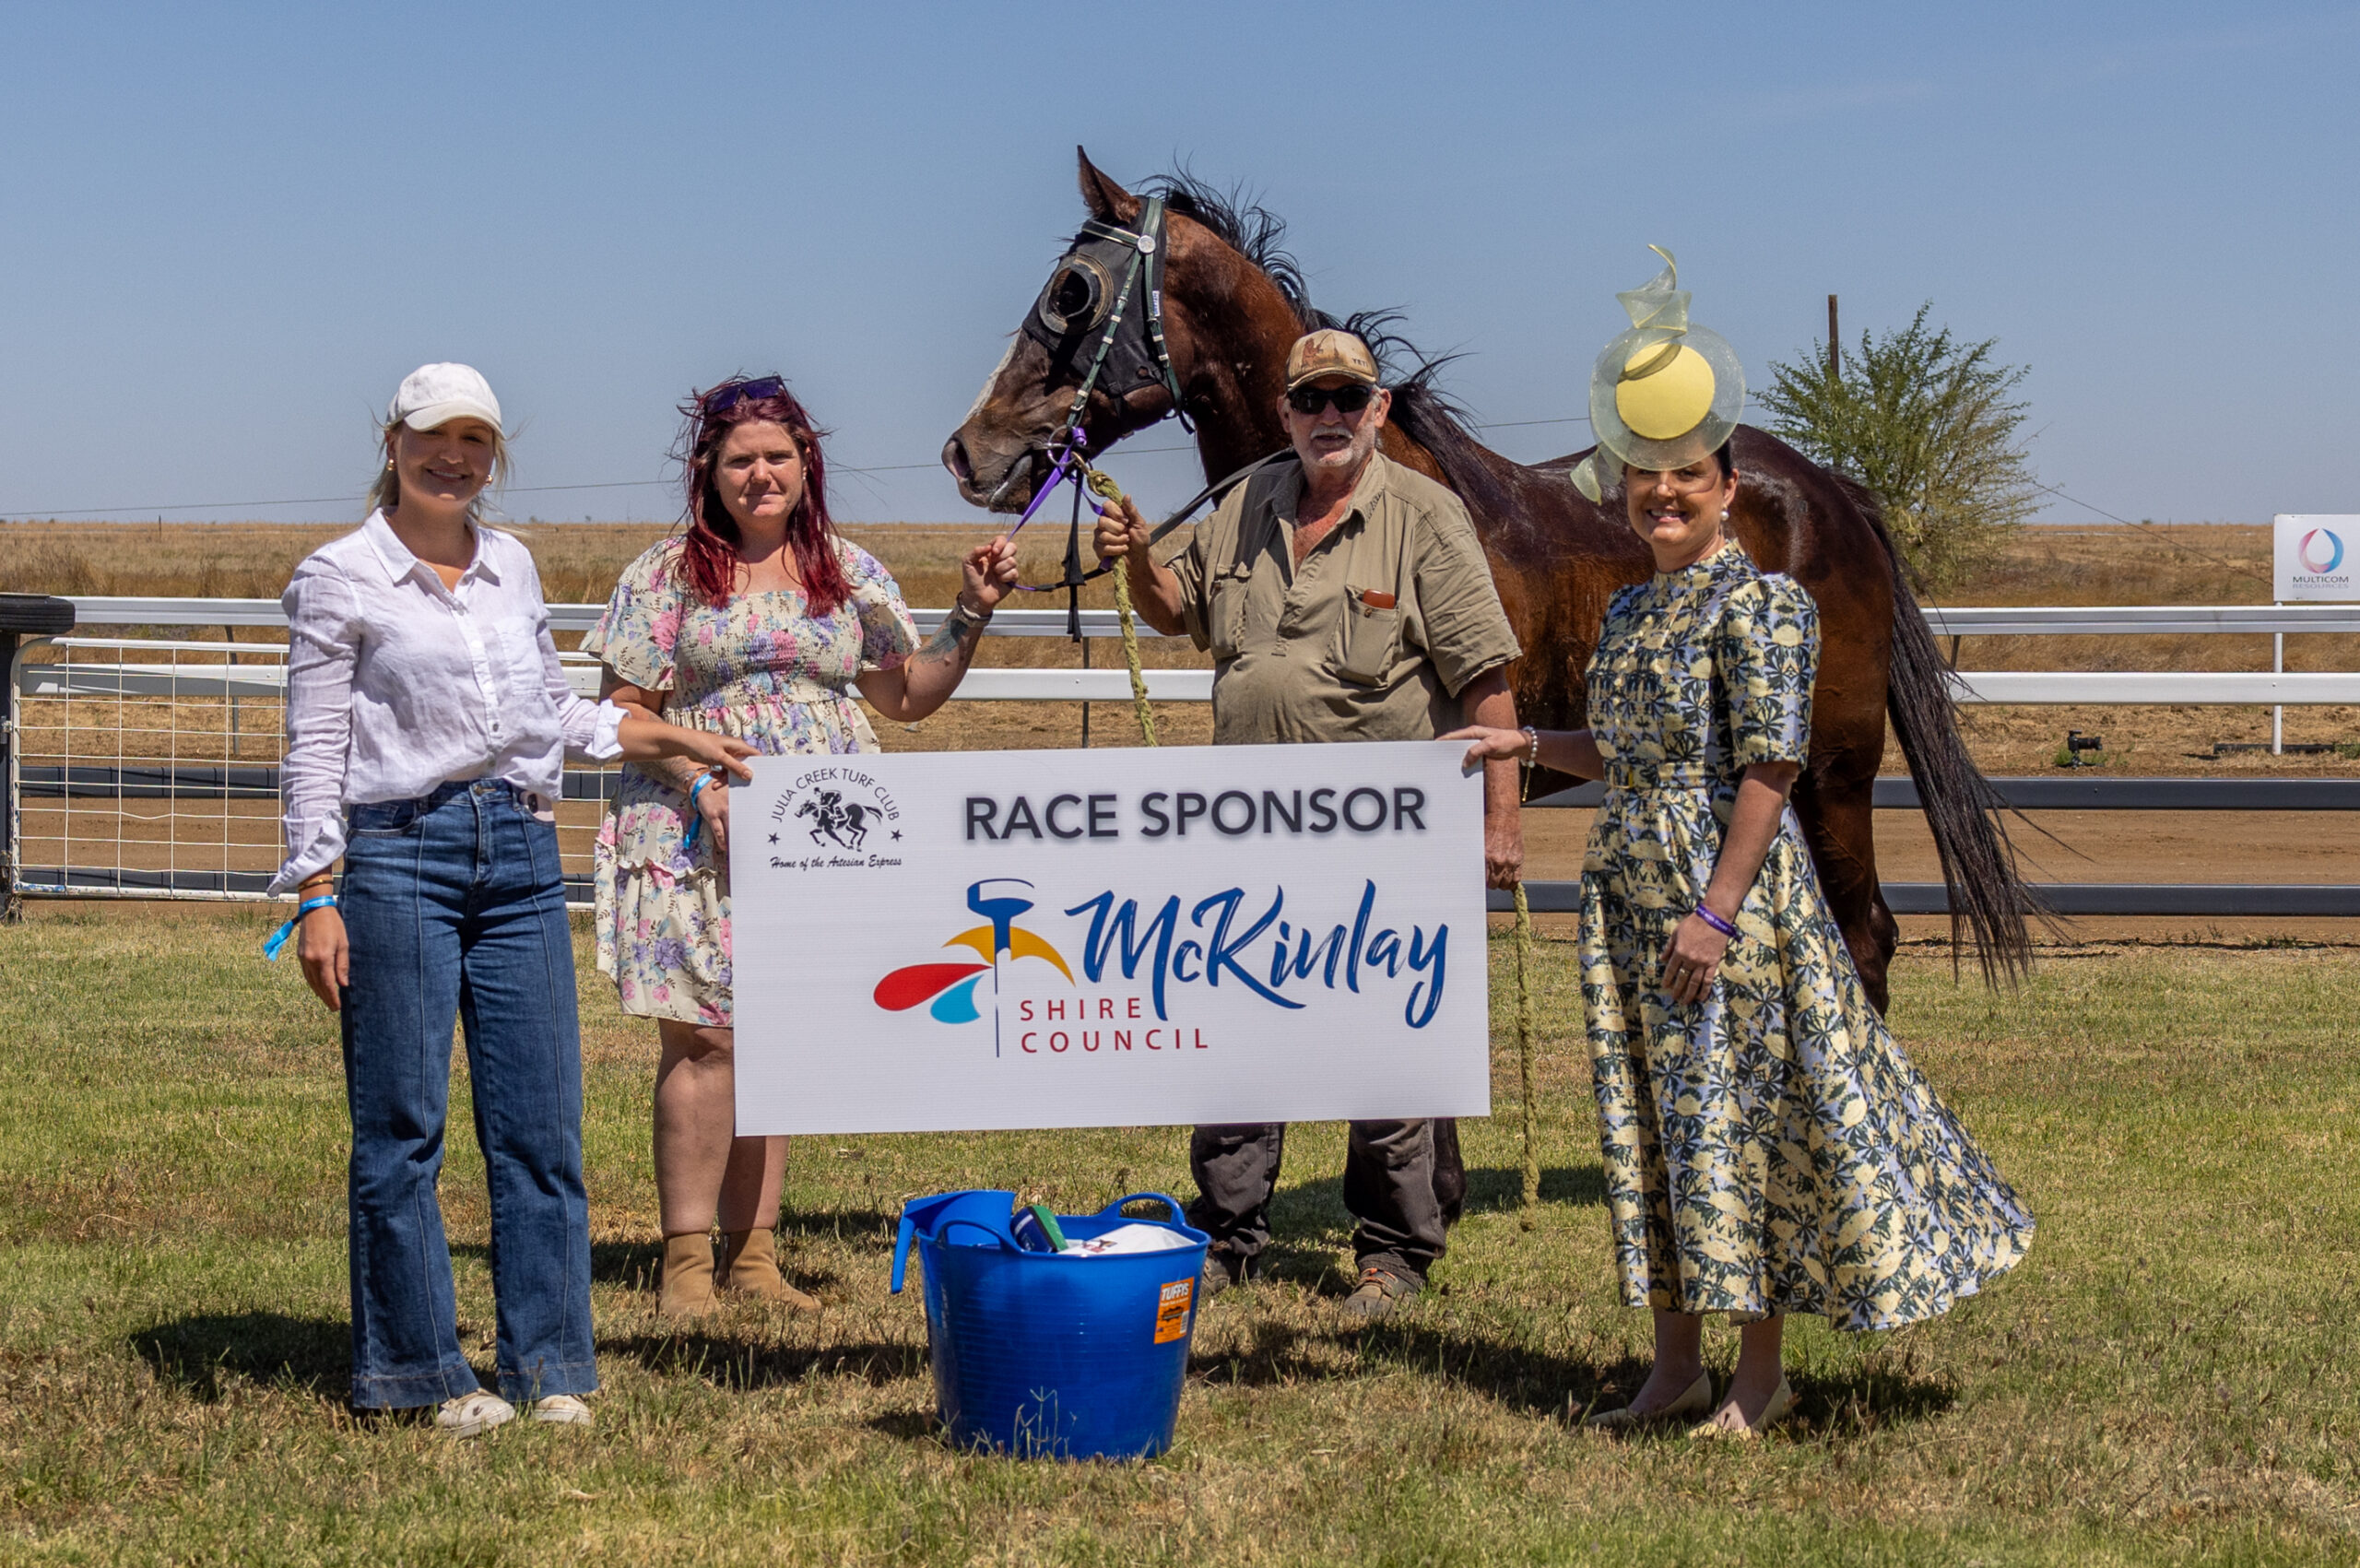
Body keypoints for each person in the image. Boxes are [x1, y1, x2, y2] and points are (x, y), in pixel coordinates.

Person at [1450, 251, 2033, 1437]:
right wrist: (1518, 749)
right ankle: (1671, 1367)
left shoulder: (1764, 603)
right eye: (1645, 481)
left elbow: (1768, 767)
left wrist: (1715, 910)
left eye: (1686, 480)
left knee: (1742, 1121)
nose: (1662, 497)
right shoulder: (1630, 605)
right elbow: (1622, 750)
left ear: (1726, 488)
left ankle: (1757, 1376)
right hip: (1626, 881)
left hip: (1728, 895)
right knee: (1659, 1126)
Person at [275, 362, 757, 1437]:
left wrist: (669, 734)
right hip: (399, 853)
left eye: (476, 442)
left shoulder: (514, 567)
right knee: (402, 1125)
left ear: (496, 456)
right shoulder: (338, 575)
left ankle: (549, 1361)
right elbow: (314, 744)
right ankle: (418, 1369)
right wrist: (316, 889)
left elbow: (548, 717)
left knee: (539, 1121)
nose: (454, 458)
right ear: (391, 442)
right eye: (433, 437)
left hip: (522, 850)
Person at [1092, 327, 1526, 1321]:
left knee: (1385, 1041)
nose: (1328, 414)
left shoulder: (1425, 516)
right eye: (1309, 398)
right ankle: (1230, 1231)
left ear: (1376, 410)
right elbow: (1174, 607)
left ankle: (1391, 1252)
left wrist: (1499, 824)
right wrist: (1139, 559)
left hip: (1380, 843)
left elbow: (1484, 678)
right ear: (1285, 412)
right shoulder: (1244, 501)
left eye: (1348, 397)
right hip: (1243, 832)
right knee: (1237, 1031)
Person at [587, 374, 1019, 1319]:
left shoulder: (848, 571)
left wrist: (972, 610)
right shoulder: (665, 576)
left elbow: (906, 694)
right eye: (740, 458)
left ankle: (756, 1258)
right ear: (709, 470)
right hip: (693, 828)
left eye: (776, 455)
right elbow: (623, 714)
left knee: (780, 1041)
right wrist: (703, 781)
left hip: (820, 841)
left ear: (805, 462)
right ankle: (687, 1261)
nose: (759, 474)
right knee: (705, 1038)